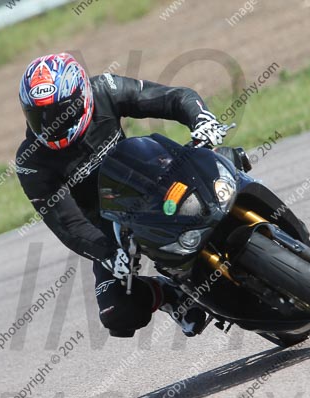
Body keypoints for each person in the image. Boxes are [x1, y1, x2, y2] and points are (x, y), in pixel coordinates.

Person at [15, 53, 229, 338]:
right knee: (117, 312)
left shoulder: (104, 89)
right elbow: (66, 223)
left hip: (153, 179)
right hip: (109, 223)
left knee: (217, 166)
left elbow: (173, 98)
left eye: (59, 112)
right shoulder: (31, 161)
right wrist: (108, 252)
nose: (51, 123)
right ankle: (169, 294)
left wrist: (200, 120)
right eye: (39, 116)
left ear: (81, 96)